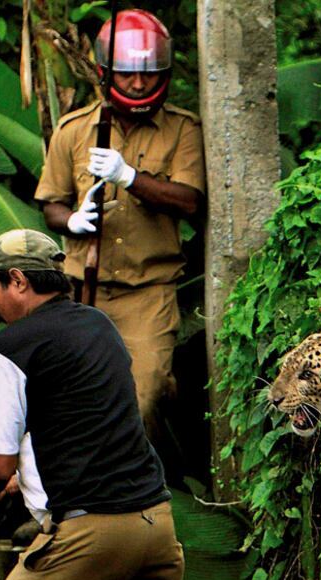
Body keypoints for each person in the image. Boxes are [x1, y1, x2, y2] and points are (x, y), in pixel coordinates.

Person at [0, 229, 183, 580]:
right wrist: (6, 490)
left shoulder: (9, 349)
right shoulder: (99, 327)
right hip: (157, 533)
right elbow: (82, 436)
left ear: (17, 280)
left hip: (92, 538)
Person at [35, 8, 205, 445]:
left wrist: (130, 178)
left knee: (144, 396)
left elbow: (189, 200)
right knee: (70, 401)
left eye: (149, 74)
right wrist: (72, 221)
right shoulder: (74, 130)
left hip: (148, 293)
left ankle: (133, 497)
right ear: (106, 72)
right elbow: (50, 202)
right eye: (128, 74)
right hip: (80, 291)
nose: (138, 83)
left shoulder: (183, 130)